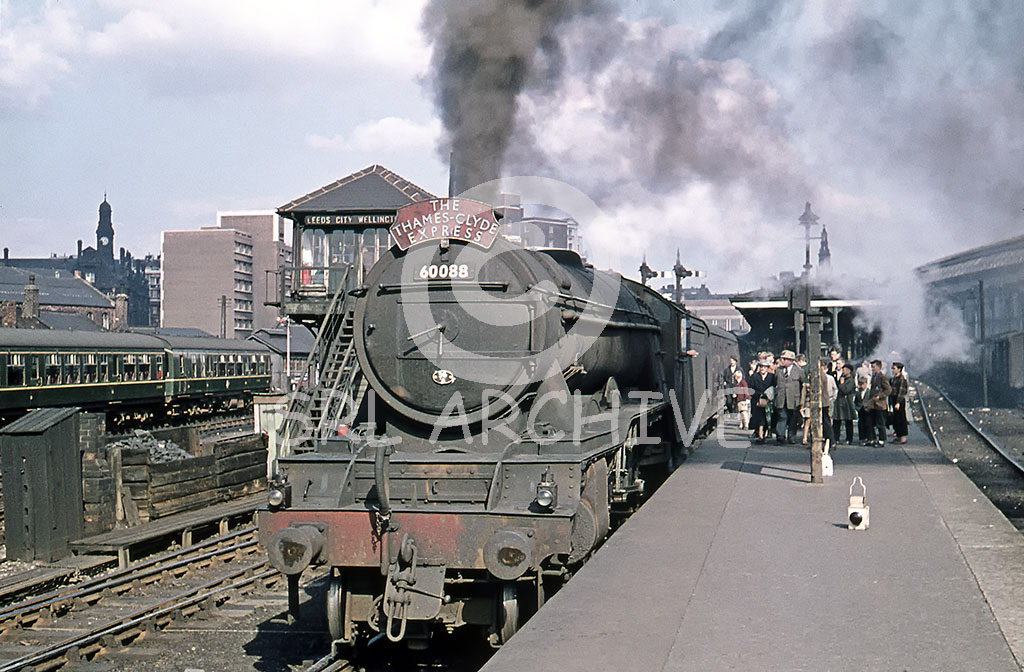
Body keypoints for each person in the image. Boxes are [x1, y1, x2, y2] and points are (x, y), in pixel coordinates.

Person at [773, 350, 805, 444]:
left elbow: (803, 383)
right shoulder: (778, 370)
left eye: (785, 359)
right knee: (782, 416)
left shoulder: (799, 371)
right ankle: (780, 435)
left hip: (793, 399)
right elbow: (775, 382)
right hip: (781, 398)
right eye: (782, 359)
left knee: (793, 419)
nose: (782, 361)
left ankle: (792, 436)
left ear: (791, 361)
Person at [748, 360, 775, 444]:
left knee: (767, 418)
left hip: (768, 401)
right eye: (761, 367)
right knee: (759, 418)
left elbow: (774, 387)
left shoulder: (772, 377)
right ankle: (760, 435)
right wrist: (759, 394)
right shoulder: (754, 377)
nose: (763, 369)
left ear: (767, 368)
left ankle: (765, 433)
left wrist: (769, 396)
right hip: (757, 401)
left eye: (765, 367)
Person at [866, 359, 892, 446]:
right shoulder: (874, 376)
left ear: (878, 367)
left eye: (873, 367)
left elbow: (888, 389)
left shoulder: (882, 377)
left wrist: (880, 396)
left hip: (879, 404)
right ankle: (873, 439)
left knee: (880, 423)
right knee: (871, 422)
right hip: (873, 404)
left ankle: (882, 439)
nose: (872, 369)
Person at [833, 364, 856, 445]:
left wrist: (842, 384)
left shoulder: (850, 380)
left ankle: (849, 439)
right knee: (837, 421)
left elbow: (846, 390)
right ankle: (836, 438)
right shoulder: (842, 378)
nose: (843, 371)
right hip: (840, 402)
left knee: (848, 421)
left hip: (847, 403)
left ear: (849, 371)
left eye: (844, 370)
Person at [889, 362, 909, 444]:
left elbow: (902, 392)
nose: (892, 370)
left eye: (894, 368)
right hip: (894, 399)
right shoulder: (894, 378)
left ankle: (903, 437)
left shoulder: (901, 379)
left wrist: (898, 402)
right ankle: (898, 435)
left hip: (899, 400)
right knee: (896, 418)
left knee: (901, 418)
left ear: (899, 369)